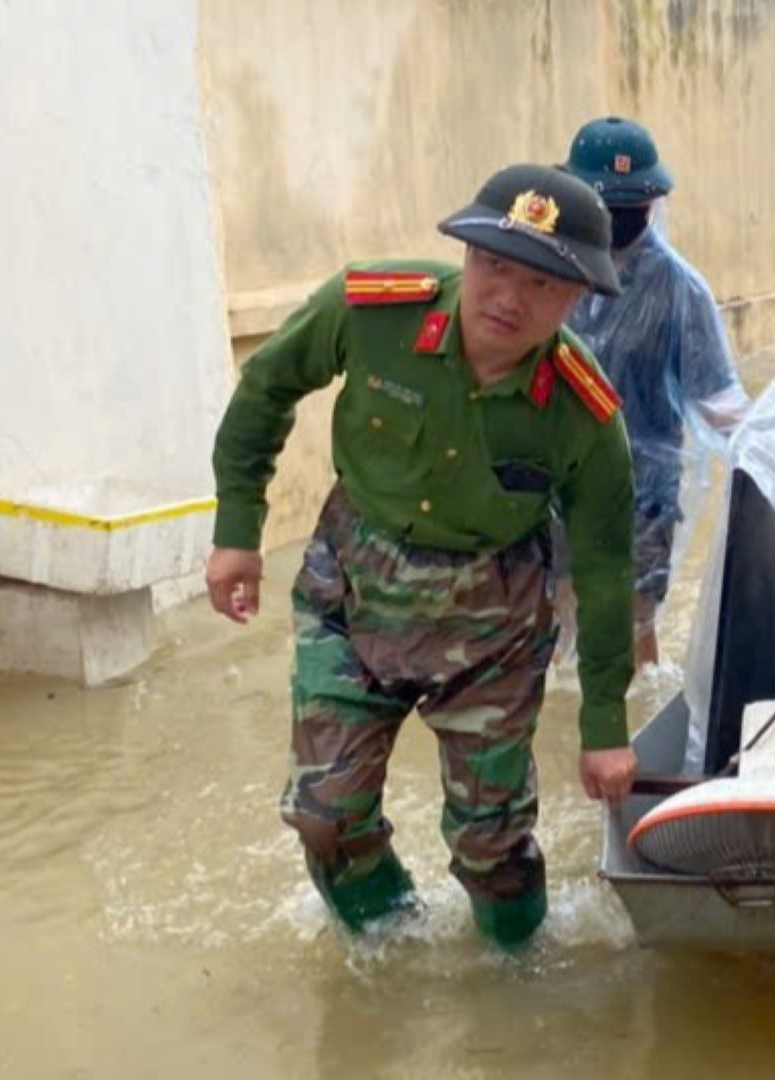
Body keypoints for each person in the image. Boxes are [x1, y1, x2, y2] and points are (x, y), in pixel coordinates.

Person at [204, 164, 640, 950]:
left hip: (494, 625)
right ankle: (389, 945)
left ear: (578, 297)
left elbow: (607, 568)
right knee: (325, 816)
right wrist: (238, 530)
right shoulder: (371, 310)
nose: (507, 297)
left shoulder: (584, 413)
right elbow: (266, 387)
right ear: (466, 253)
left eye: (542, 284)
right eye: (494, 264)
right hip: (352, 590)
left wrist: (604, 723)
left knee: (491, 842)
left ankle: (513, 970)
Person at [560, 117, 749, 668]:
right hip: (554, 480)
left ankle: (635, 713)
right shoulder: (550, 272)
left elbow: (720, 401)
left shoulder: (679, 288)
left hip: (643, 494)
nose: (619, 219)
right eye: (607, 206)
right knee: (552, 614)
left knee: (632, 623)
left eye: (631, 206)